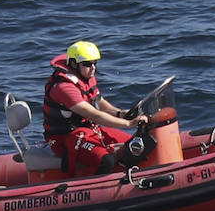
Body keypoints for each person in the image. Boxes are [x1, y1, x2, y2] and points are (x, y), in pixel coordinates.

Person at [42, 40, 150, 177]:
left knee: (131, 143)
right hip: (65, 138)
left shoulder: (85, 77)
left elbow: (98, 101)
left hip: (88, 129)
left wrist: (120, 114)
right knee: (106, 161)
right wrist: (128, 124)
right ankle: (85, 189)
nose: (93, 67)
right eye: (87, 64)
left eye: (95, 63)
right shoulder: (64, 88)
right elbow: (95, 115)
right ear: (74, 64)